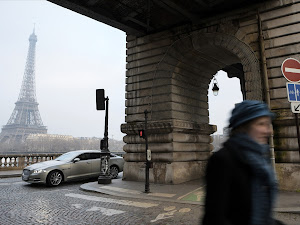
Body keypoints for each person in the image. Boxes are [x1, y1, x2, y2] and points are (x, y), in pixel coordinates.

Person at [202, 100, 284, 225]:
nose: (269, 131)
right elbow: (214, 218)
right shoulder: (222, 160)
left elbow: (263, 214)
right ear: (244, 127)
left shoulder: (260, 157)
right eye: (261, 124)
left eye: (268, 124)